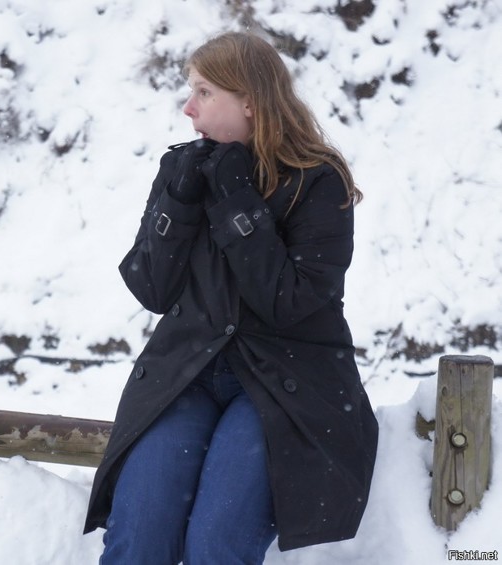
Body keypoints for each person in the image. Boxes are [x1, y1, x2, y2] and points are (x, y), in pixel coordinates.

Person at [84, 32, 379, 564]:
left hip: (282, 383)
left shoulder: (319, 182)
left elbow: (287, 302)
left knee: (216, 546)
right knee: (139, 536)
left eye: (203, 91)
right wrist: (179, 199)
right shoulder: (185, 168)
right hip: (188, 375)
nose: (187, 107)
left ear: (249, 100)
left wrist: (239, 201)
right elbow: (151, 287)